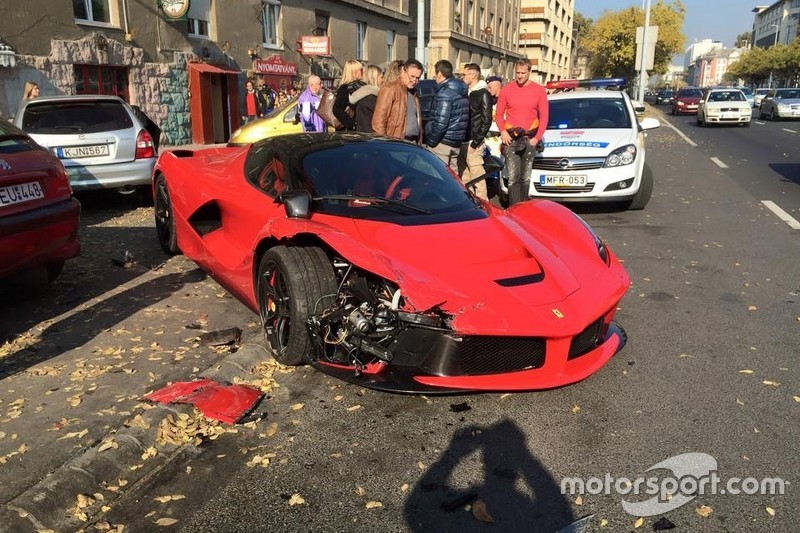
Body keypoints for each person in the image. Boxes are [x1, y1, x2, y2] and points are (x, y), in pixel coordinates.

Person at [495, 58, 549, 206]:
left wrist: (536, 138)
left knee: (525, 177)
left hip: (529, 139)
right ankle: (514, 209)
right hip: (511, 139)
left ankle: (524, 209)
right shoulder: (507, 89)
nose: (519, 76)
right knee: (513, 177)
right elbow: (498, 115)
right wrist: (503, 132)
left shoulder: (539, 91)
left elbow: (544, 117)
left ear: (529, 72)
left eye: (523, 73)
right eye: (517, 72)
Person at [424, 60, 469, 173]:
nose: (435, 77)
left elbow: (441, 122)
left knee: (438, 177)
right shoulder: (461, 90)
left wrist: (431, 141)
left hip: (442, 143)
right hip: (456, 141)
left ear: (439, 73)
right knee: (453, 178)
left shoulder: (445, 93)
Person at [459, 63, 493, 200]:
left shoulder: (483, 93)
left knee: (477, 176)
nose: (462, 77)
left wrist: (476, 142)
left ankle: (483, 204)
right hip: (463, 140)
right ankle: (469, 203)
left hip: (473, 142)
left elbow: (486, 120)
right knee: (464, 177)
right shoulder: (467, 92)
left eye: (465, 74)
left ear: (473, 75)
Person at [372, 59, 424, 143]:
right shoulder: (390, 89)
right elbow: (378, 122)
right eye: (412, 76)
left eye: (417, 78)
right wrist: (385, 144)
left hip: (413, 143)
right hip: (396, 143)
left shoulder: (414, 93)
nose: (414, 80)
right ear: (403, 71)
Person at [349, 65, 384, 133]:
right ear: (374, 78)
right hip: (373, 139)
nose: (383, 80)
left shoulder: (373, 97)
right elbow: (366, 129)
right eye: (381, 77)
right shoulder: (367, 101)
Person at [333, 59, 365, 131]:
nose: (363, 72)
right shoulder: (345, 88)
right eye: (361, 70)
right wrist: (352, 124)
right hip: (348, 132)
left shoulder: (358, 86)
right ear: (354, 72)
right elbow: (336, 109)